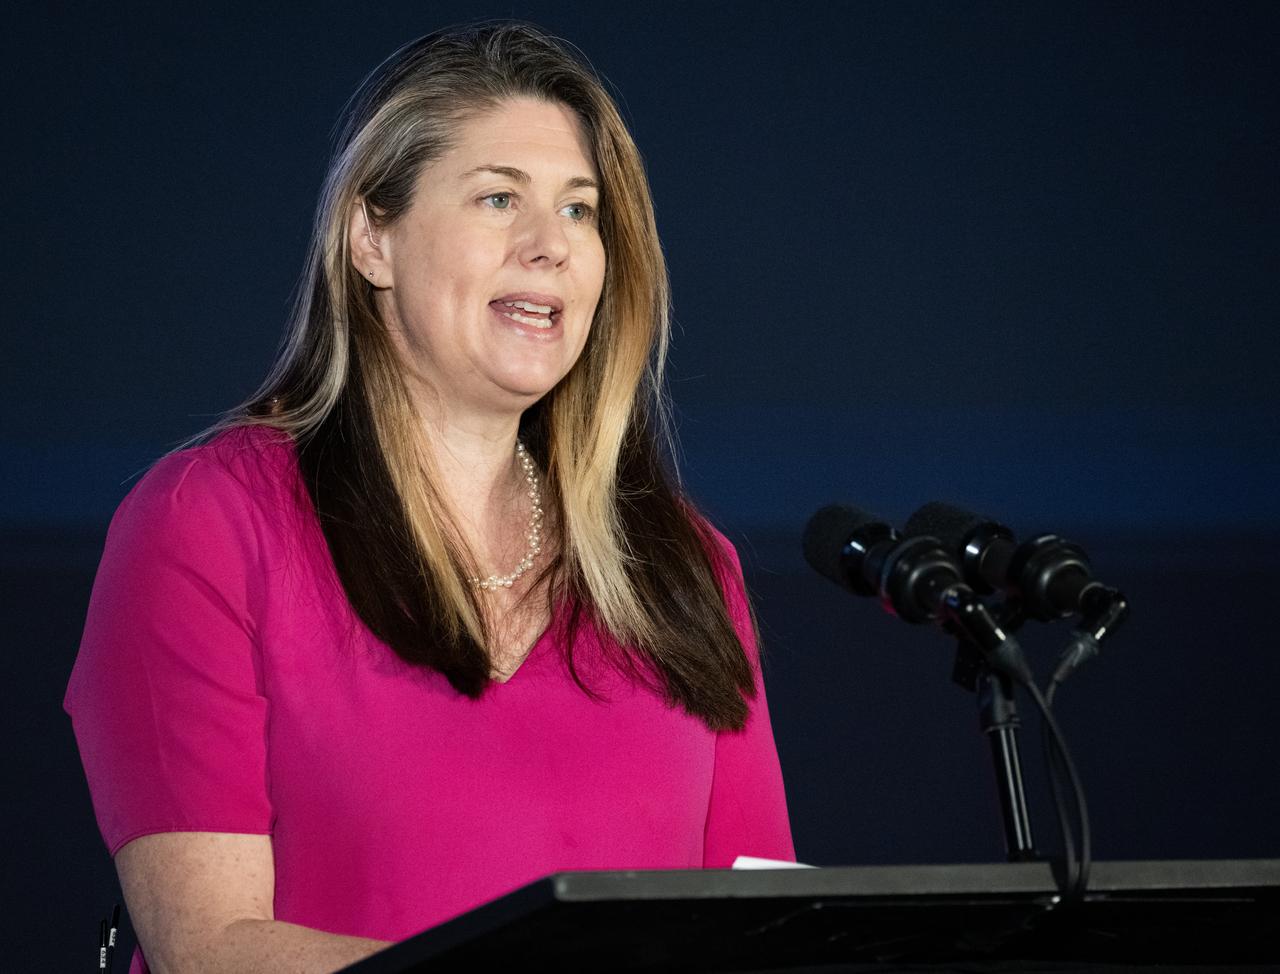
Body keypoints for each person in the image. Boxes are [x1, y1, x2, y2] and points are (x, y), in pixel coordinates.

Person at [65, 21, 793, 974]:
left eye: (581, 212)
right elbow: (212, 949)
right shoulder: (207, 522)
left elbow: (762, 929)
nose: (552, 248)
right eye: (500, 199)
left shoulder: (686, 567)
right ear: (373, 236)